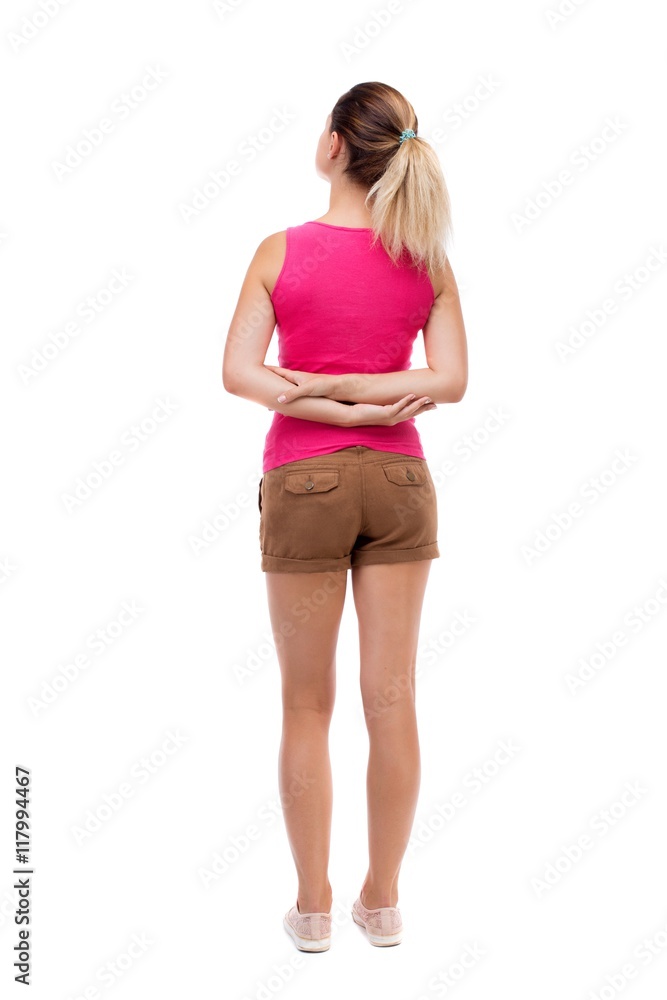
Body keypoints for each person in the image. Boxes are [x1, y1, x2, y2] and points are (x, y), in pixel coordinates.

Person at [222, 81, 468, 952]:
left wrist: (322, 399)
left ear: (332, 146)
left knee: (305, 706)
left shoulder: (278, 251)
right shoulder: (426, 260)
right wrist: (375, 405)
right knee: (392, 699)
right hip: (400, 484)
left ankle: (314, 907)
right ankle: (384, 901)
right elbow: (447, 382)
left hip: (303, 483)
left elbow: (240, 373)